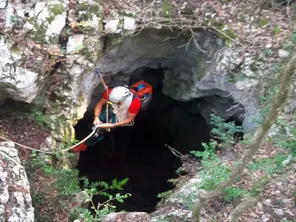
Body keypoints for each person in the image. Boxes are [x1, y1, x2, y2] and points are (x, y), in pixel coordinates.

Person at [72, 86, 141, 152]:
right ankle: (87, 132)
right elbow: (100, 104)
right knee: (96, 123)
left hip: (122, 115)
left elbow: (129, 119)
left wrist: (112, 125)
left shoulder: (134, 103)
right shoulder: (110, 92)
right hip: (113, 108)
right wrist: (96, 117)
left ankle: (85, 145)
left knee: (101, 131)